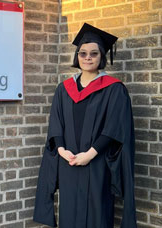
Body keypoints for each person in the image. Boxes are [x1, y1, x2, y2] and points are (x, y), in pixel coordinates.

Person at [33, 23, 137, 228]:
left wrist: (89, 154)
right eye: (83, 53)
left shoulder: (114, 89)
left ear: (101, 57)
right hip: (69, 162)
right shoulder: (64, 89)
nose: (87, 57)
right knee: (69, 214)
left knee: (97, 215)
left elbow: (115, 127)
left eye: (93, 53)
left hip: (97, 164)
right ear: (77, 56)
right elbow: (56, 123)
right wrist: (62, 150)